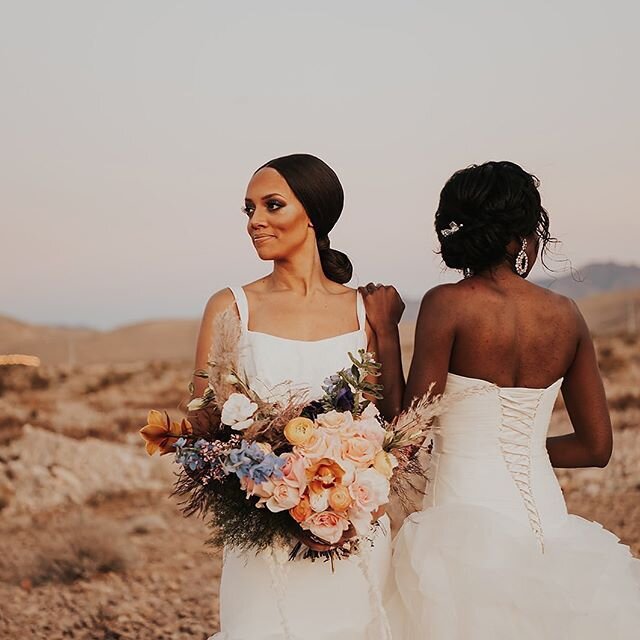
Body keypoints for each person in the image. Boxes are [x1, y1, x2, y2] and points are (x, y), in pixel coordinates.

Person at [364, 161, 640, 639]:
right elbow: (597, 449)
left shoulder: (448, 303)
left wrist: (385, 333)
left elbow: (404, 432)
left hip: (461, 517)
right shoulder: (567, 315)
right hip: (548, 523)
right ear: (523, 233)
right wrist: (521, 448)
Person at [191, 154, 394, 640]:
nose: (255, 222)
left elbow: (387, 421)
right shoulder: (231, 306)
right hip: (263, 534)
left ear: (312, 214)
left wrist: (342, 492)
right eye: (248, 210)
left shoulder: (365, 311)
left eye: (272, 205)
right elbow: (202, 420)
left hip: (353, 530)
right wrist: (274, 482)